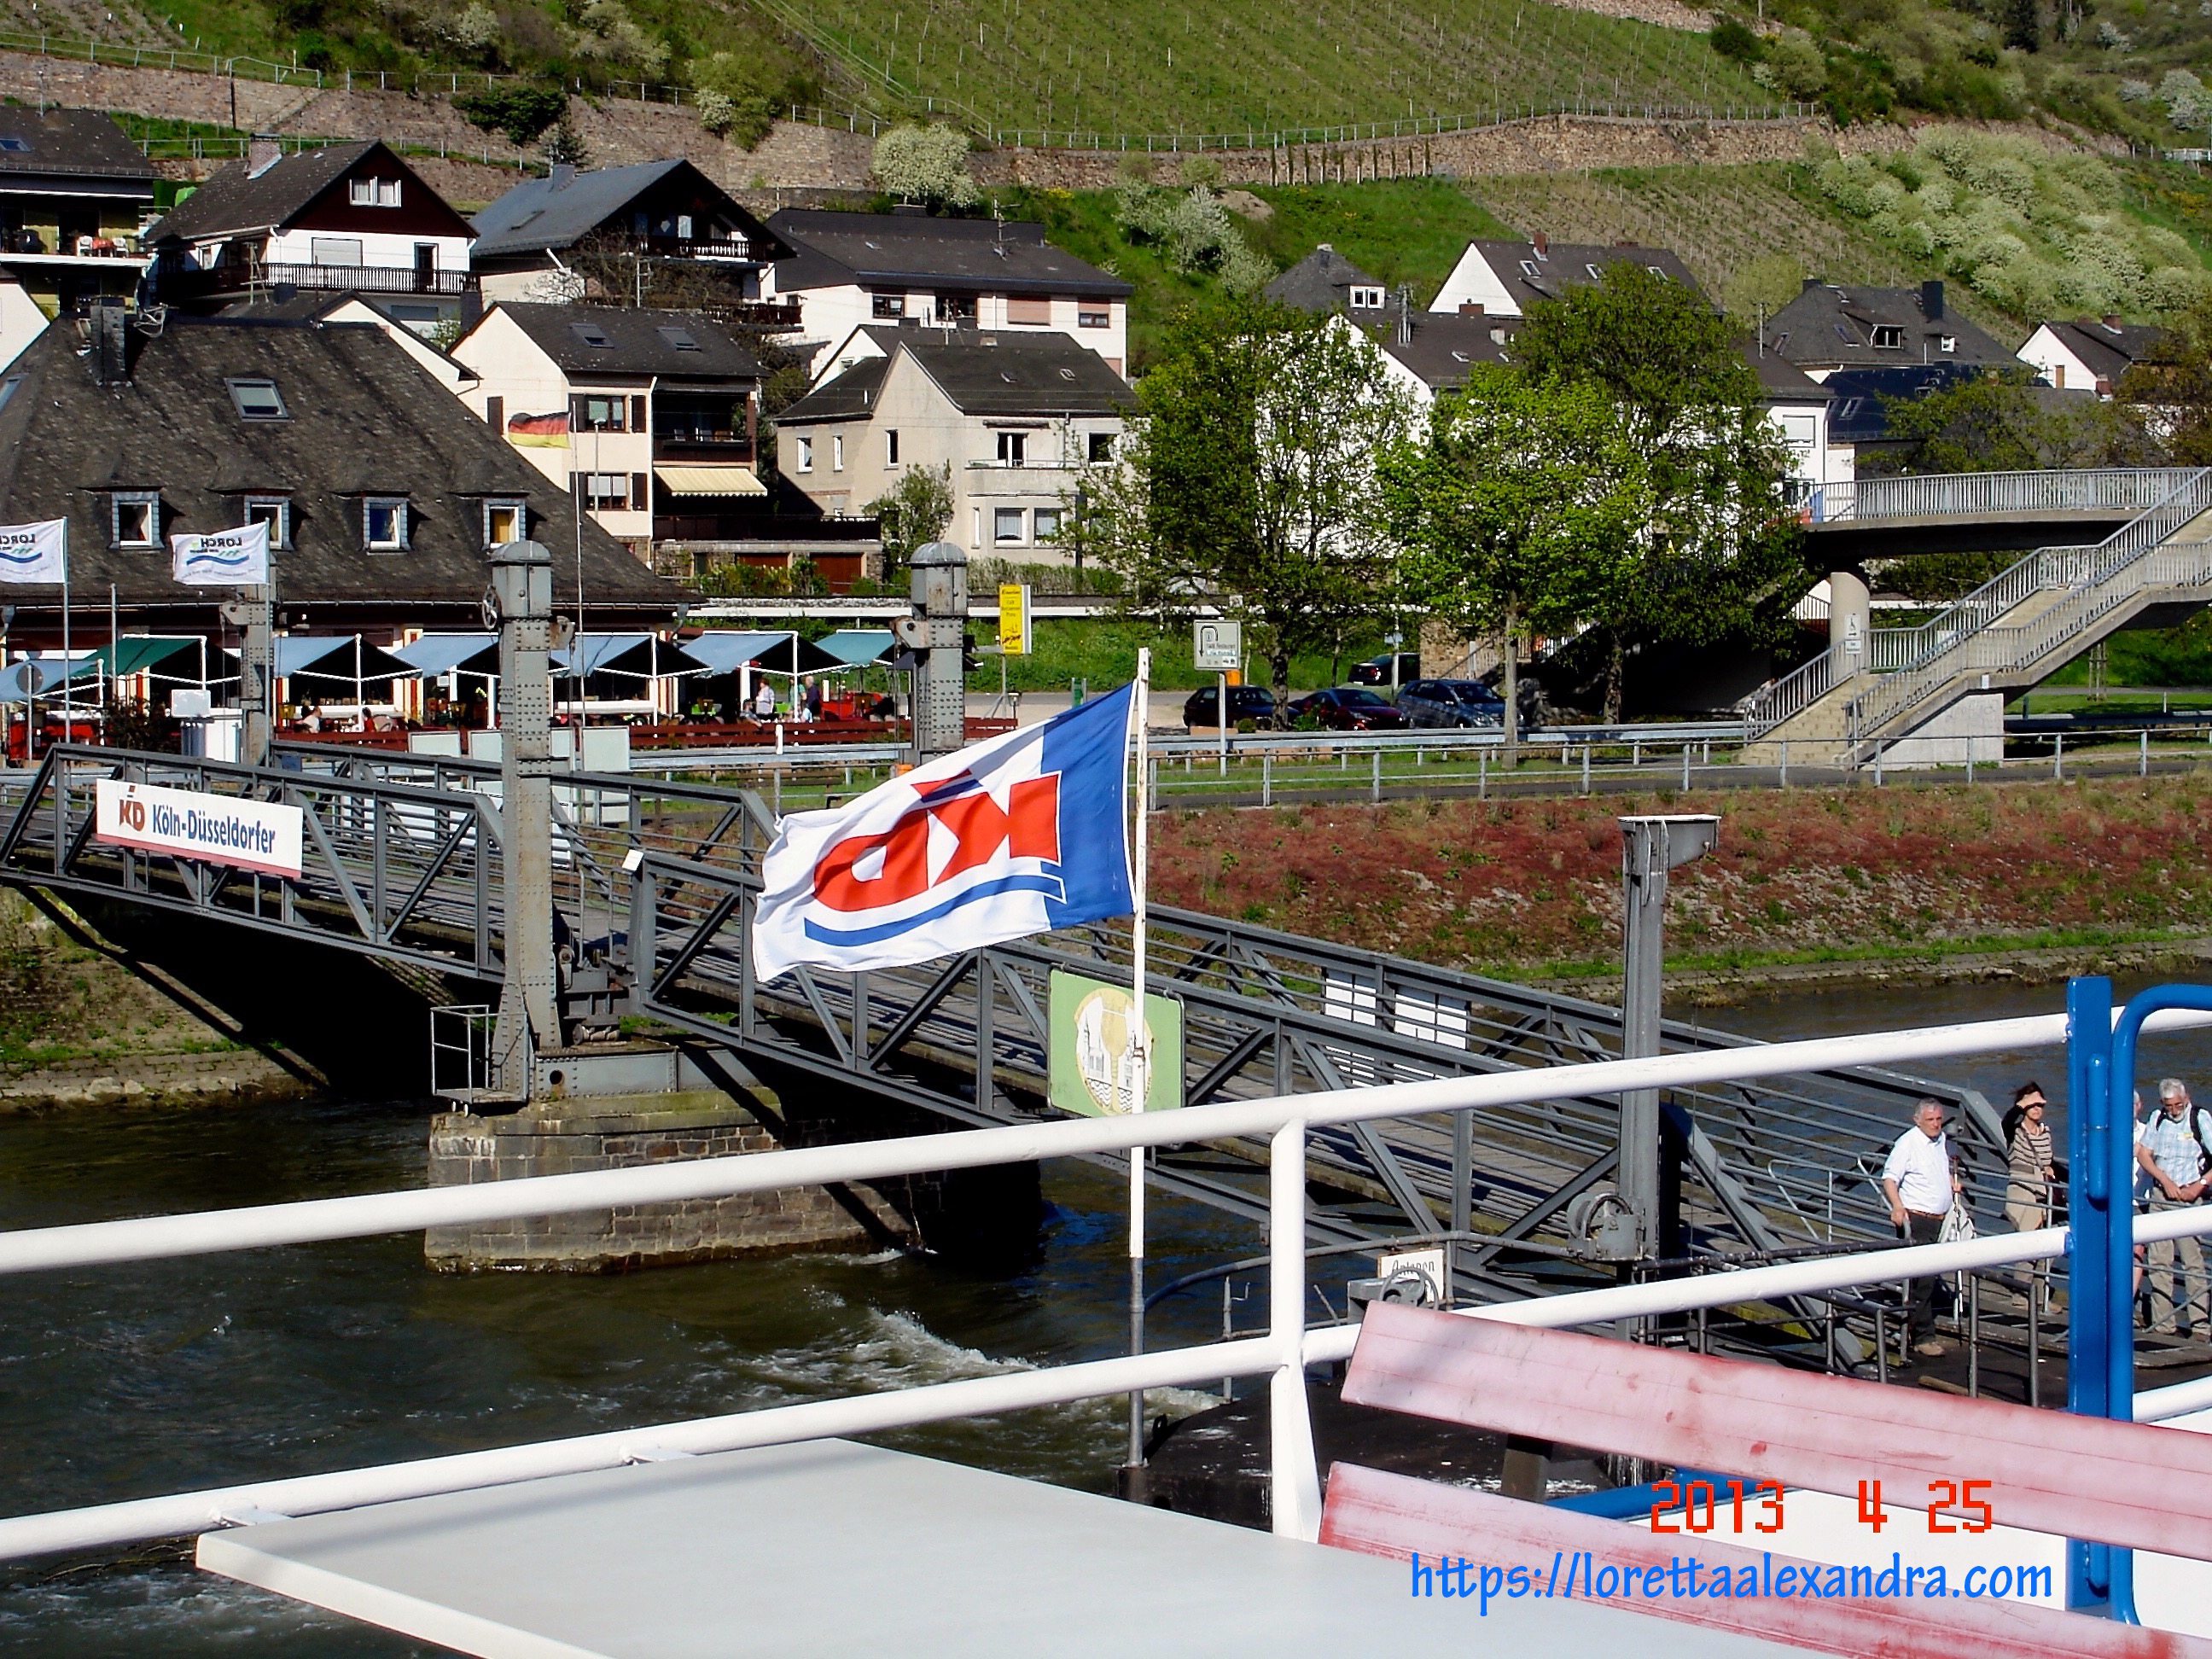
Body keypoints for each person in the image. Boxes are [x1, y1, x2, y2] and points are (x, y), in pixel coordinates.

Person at [1883, 1097, 1965, 1358]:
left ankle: (1912, 1329)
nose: (1936, 1124)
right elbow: (1889, 1178)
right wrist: (1897, 1206)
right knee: (1922, 1281)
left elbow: (1936, 1169)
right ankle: (1922, 1337)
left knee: (1927, 1278)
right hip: (1917, 1218)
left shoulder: (1940, 1140)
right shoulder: (1907, 1143)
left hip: (1940, 1218)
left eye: (1939, 1119)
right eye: (1930, 1120)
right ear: (1917, 1120)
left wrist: (1951, 1183)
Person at [2135, 1078, 2210, 1337]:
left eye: (2179, 1105)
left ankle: (2200, 1326)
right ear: (2162, 1103)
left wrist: (2199, 1185)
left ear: (2186, 1099)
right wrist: (2164, 1180)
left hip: (2190, 1199)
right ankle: (2163, 1325)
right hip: (2161, 1197)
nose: (2175, 1111)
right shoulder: (2158, 1119)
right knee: (2159, 1263)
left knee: (2193, 1263)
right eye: (2170, 1106)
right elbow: (2143, 1154)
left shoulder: (2199, 1118)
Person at [2004, 1082, 2056, 1232]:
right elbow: (2006, 1121)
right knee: (2025, 1237)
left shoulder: (2045, 1132)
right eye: (2032, 1105)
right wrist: (2025, 1102)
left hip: (2044, 1193)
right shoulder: (2014, 1131)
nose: (2036, 1108)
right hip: (2023, 1192)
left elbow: (2049, 1162)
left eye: (2039, 1105)